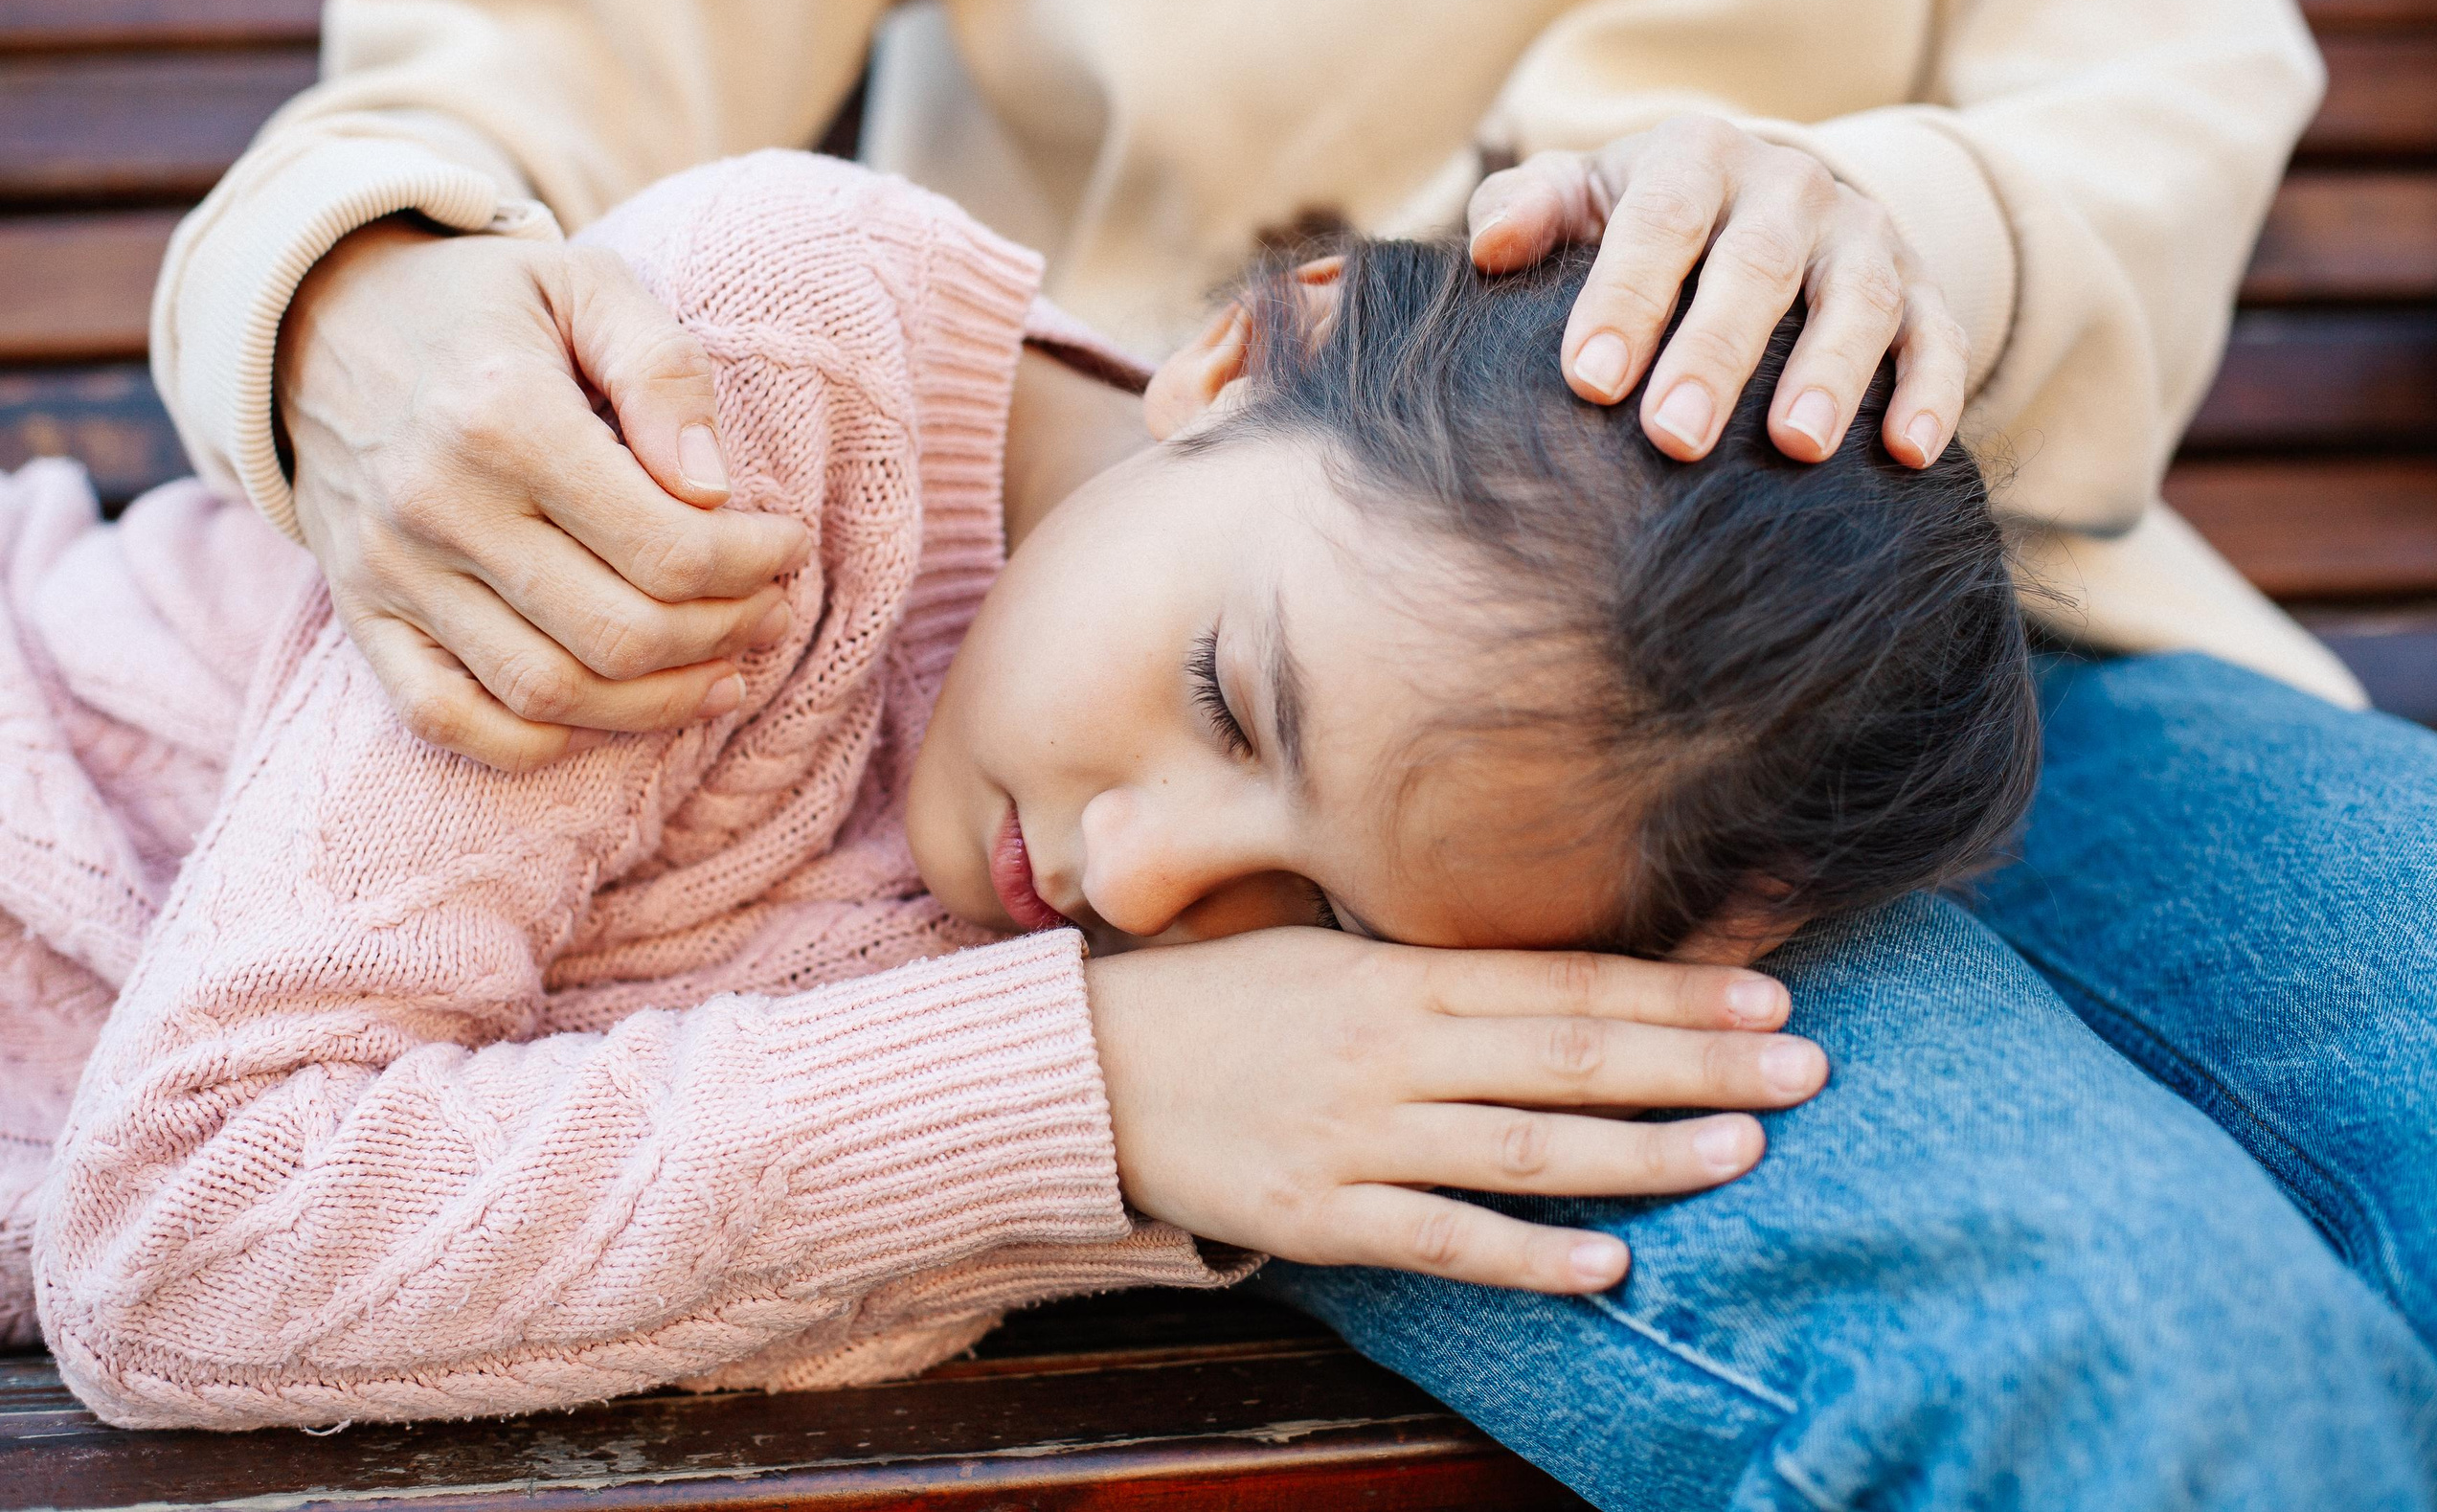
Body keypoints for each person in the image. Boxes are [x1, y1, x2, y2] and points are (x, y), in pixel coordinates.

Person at [120, 0, 2437, 1502]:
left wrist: (1873, 246)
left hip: (1968, 621)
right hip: (1290, 774)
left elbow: (2153, 92)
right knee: (2122, 1347)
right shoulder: (898, 524)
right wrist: (372, 273)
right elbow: (558, 18)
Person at [20, 150, 2027, 1423]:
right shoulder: (743, 405)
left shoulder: (1161, 967)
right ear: (1246, 355)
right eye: (1229, 699)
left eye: (1328, 930)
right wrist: (1097, 1090)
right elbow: (186, 1230)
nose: (1141, 893)